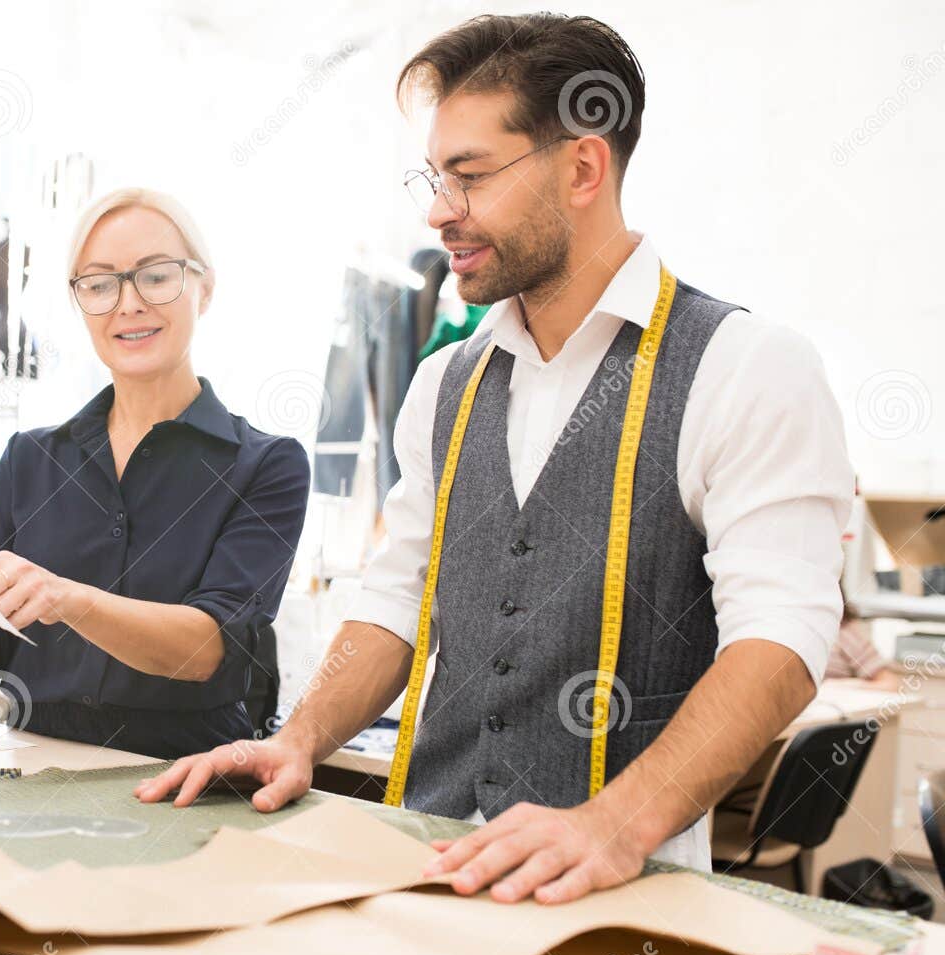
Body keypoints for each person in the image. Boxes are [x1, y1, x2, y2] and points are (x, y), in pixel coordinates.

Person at [138, 14, 854, 904]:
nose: (439, 211)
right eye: (435, 179)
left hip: (619, 908)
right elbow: (396, 598)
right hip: (426, 869)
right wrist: (301, 737)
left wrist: (614, 823)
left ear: (583, 167)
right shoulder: (445, 383)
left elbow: (780, 643)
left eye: (470, 177)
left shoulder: (746, 368)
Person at [0, 188, 310, 760]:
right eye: (100, 285)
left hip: (182, 786)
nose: (128, 304)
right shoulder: (30, 458)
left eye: (155, 276)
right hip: (31, 777)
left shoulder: (265, 466)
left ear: (205, 288)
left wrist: (64, 597)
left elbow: (204, 649)